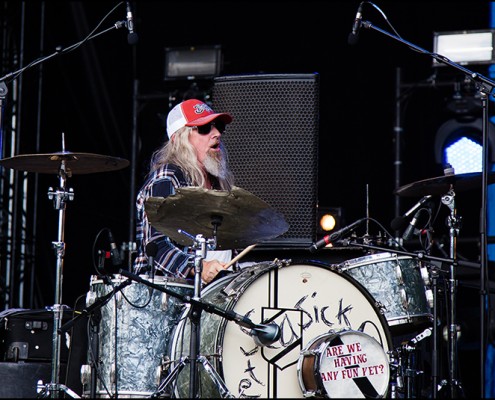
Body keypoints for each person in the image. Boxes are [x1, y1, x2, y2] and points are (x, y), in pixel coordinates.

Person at [133, 98, 235, 285]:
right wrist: (199, 267)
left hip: (212, 294)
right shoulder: (167, 177)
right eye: (204, 128)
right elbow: (156, 246)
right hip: (164, 296)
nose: (217, 134)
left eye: (218, 126)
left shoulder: (218, 182)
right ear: (178, 140)